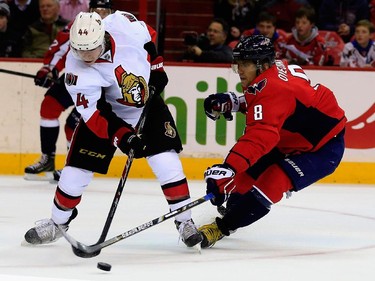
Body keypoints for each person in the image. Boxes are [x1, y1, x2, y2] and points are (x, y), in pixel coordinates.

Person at [24, 11, 203, 248]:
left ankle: (184, 220)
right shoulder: (76, 69)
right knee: (74, 174)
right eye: (79, 50)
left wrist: (157, 67)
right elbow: (97, 115)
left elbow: (149, 37)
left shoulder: (122, 24)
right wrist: (124, 138)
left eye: (90, 49)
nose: (85, 55)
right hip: (107, 112)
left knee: (167, 163)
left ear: (103, 37)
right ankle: (58, 223)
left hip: (145, 103)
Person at [198, 34, 346, 248]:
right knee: (240, 183)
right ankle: (236, 210)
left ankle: (221, 228)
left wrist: (228, 168)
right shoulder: (272, 72)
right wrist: (237, 102)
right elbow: (274, 106)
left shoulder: (273, 89)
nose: (240, 69)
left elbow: (260, 136)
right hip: (290, 139)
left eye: (246, 64)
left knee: (272, 182)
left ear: (263, 64)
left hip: (323, 149)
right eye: (238, 63)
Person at [24, 0, 113, 181]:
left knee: (73, 125)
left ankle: (74, 166)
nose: (101, 15)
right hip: (76, 76)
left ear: (112, 12)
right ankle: (48, 158)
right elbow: (61, 48)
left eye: (105, 11)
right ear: (90, 10)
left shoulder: (119, 30)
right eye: (97, 10)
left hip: (103, 85)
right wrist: (49, 69)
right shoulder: (80, 25)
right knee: (49, 106)